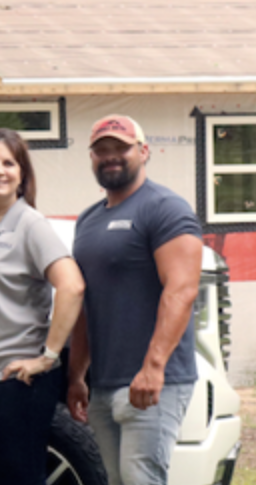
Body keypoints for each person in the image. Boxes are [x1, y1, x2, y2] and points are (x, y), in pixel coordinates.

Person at [68, 115, 203, 485]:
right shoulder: (87, 221)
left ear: (144, 152)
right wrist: (78, 374)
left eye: (121, 148)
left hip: (153, 381)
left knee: (140, 477)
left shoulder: (165, 208)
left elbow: (182, 290)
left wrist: (154, 366)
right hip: (105, 381)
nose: (110, 157)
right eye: (101, 151)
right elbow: (84, 303)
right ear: (92, 158)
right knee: (116, 479)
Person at [0, 129, 85, 485]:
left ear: (22, 174)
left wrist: (48, 356)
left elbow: (72, 286)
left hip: (14, 384)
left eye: (8, 163)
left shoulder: (30, 225)